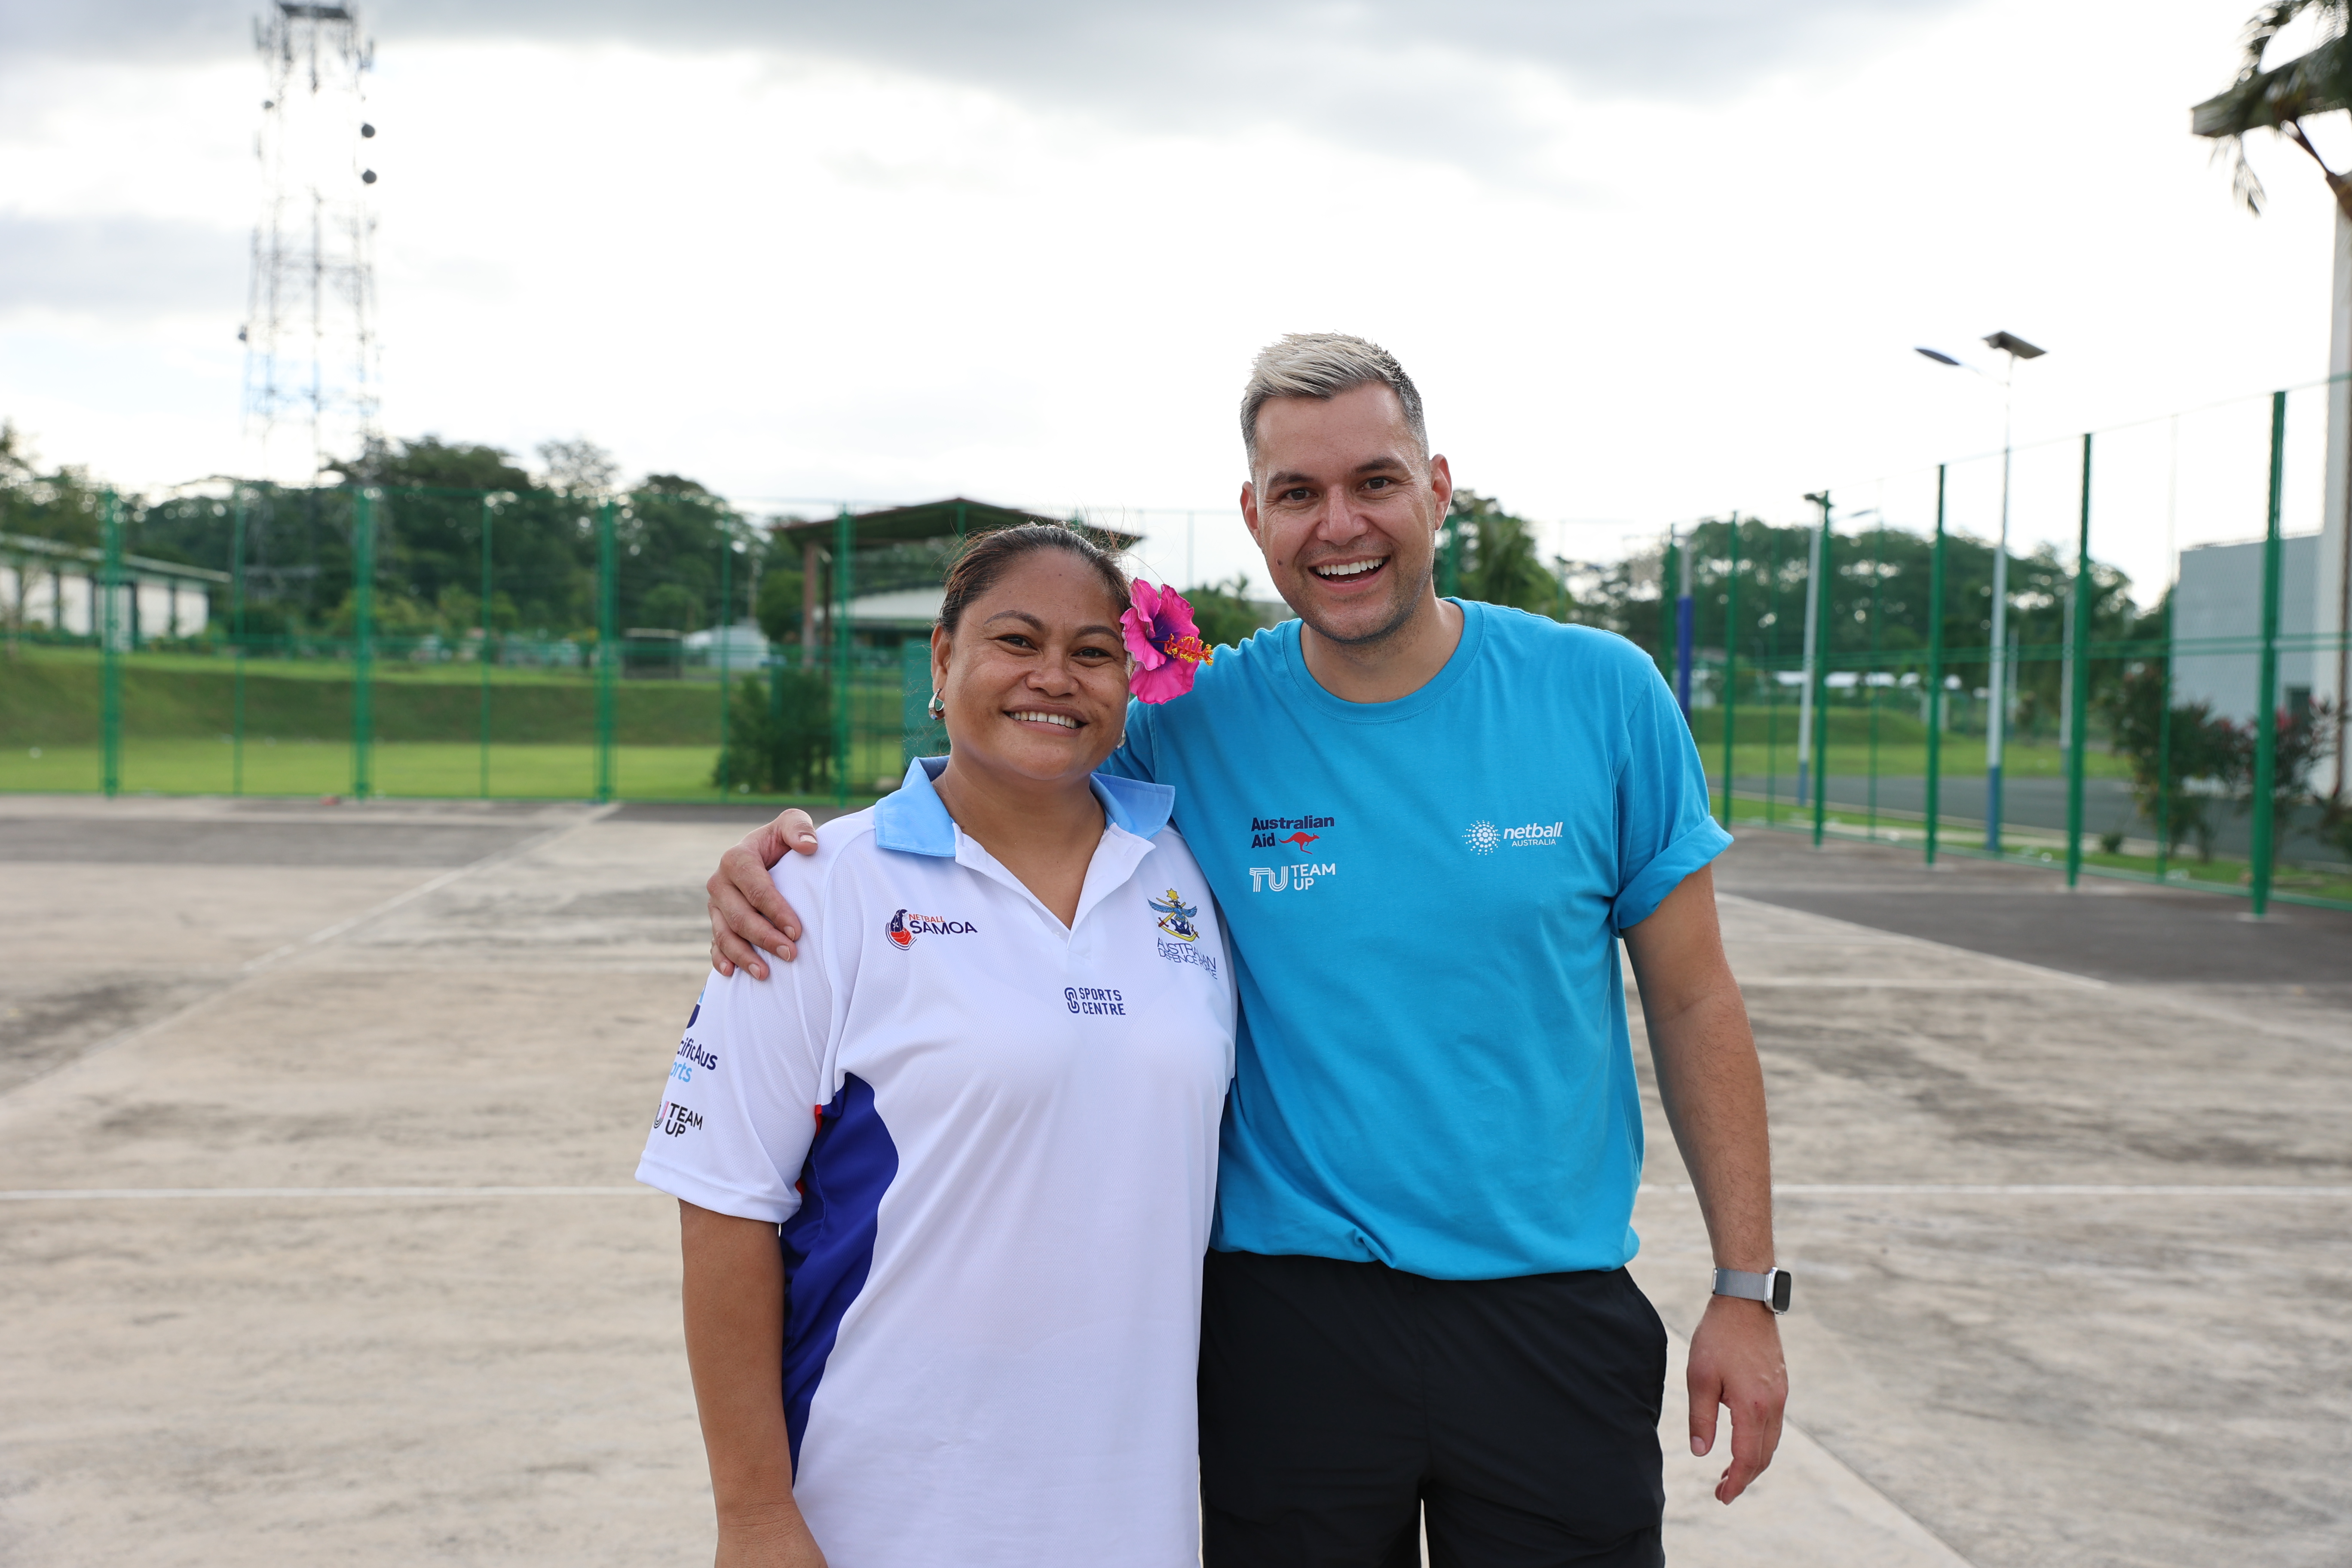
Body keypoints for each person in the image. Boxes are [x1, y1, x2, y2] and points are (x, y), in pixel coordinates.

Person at [707, 334, 1788, 1568]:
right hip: (1288, 1325)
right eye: (1298, 493)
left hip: (1550, 1310)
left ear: (1438, 489)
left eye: (1375, 482)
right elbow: (1011, 760)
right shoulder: (1193, 724)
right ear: (1254, 515)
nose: (1341, 525)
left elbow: (1694, 1001)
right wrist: (800, 856)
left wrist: (1746, 1287)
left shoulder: (1603, 695)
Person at [640, 524, 1236, 1568]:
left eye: (1093, 651)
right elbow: (725, 1207)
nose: (1055, 677)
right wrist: (755, 1514)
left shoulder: (1188, 872)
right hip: (881, 1511)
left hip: (1133, 1512)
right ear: (944, 657)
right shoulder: (818, 890)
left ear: (1130, 680)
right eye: (1017, 640)